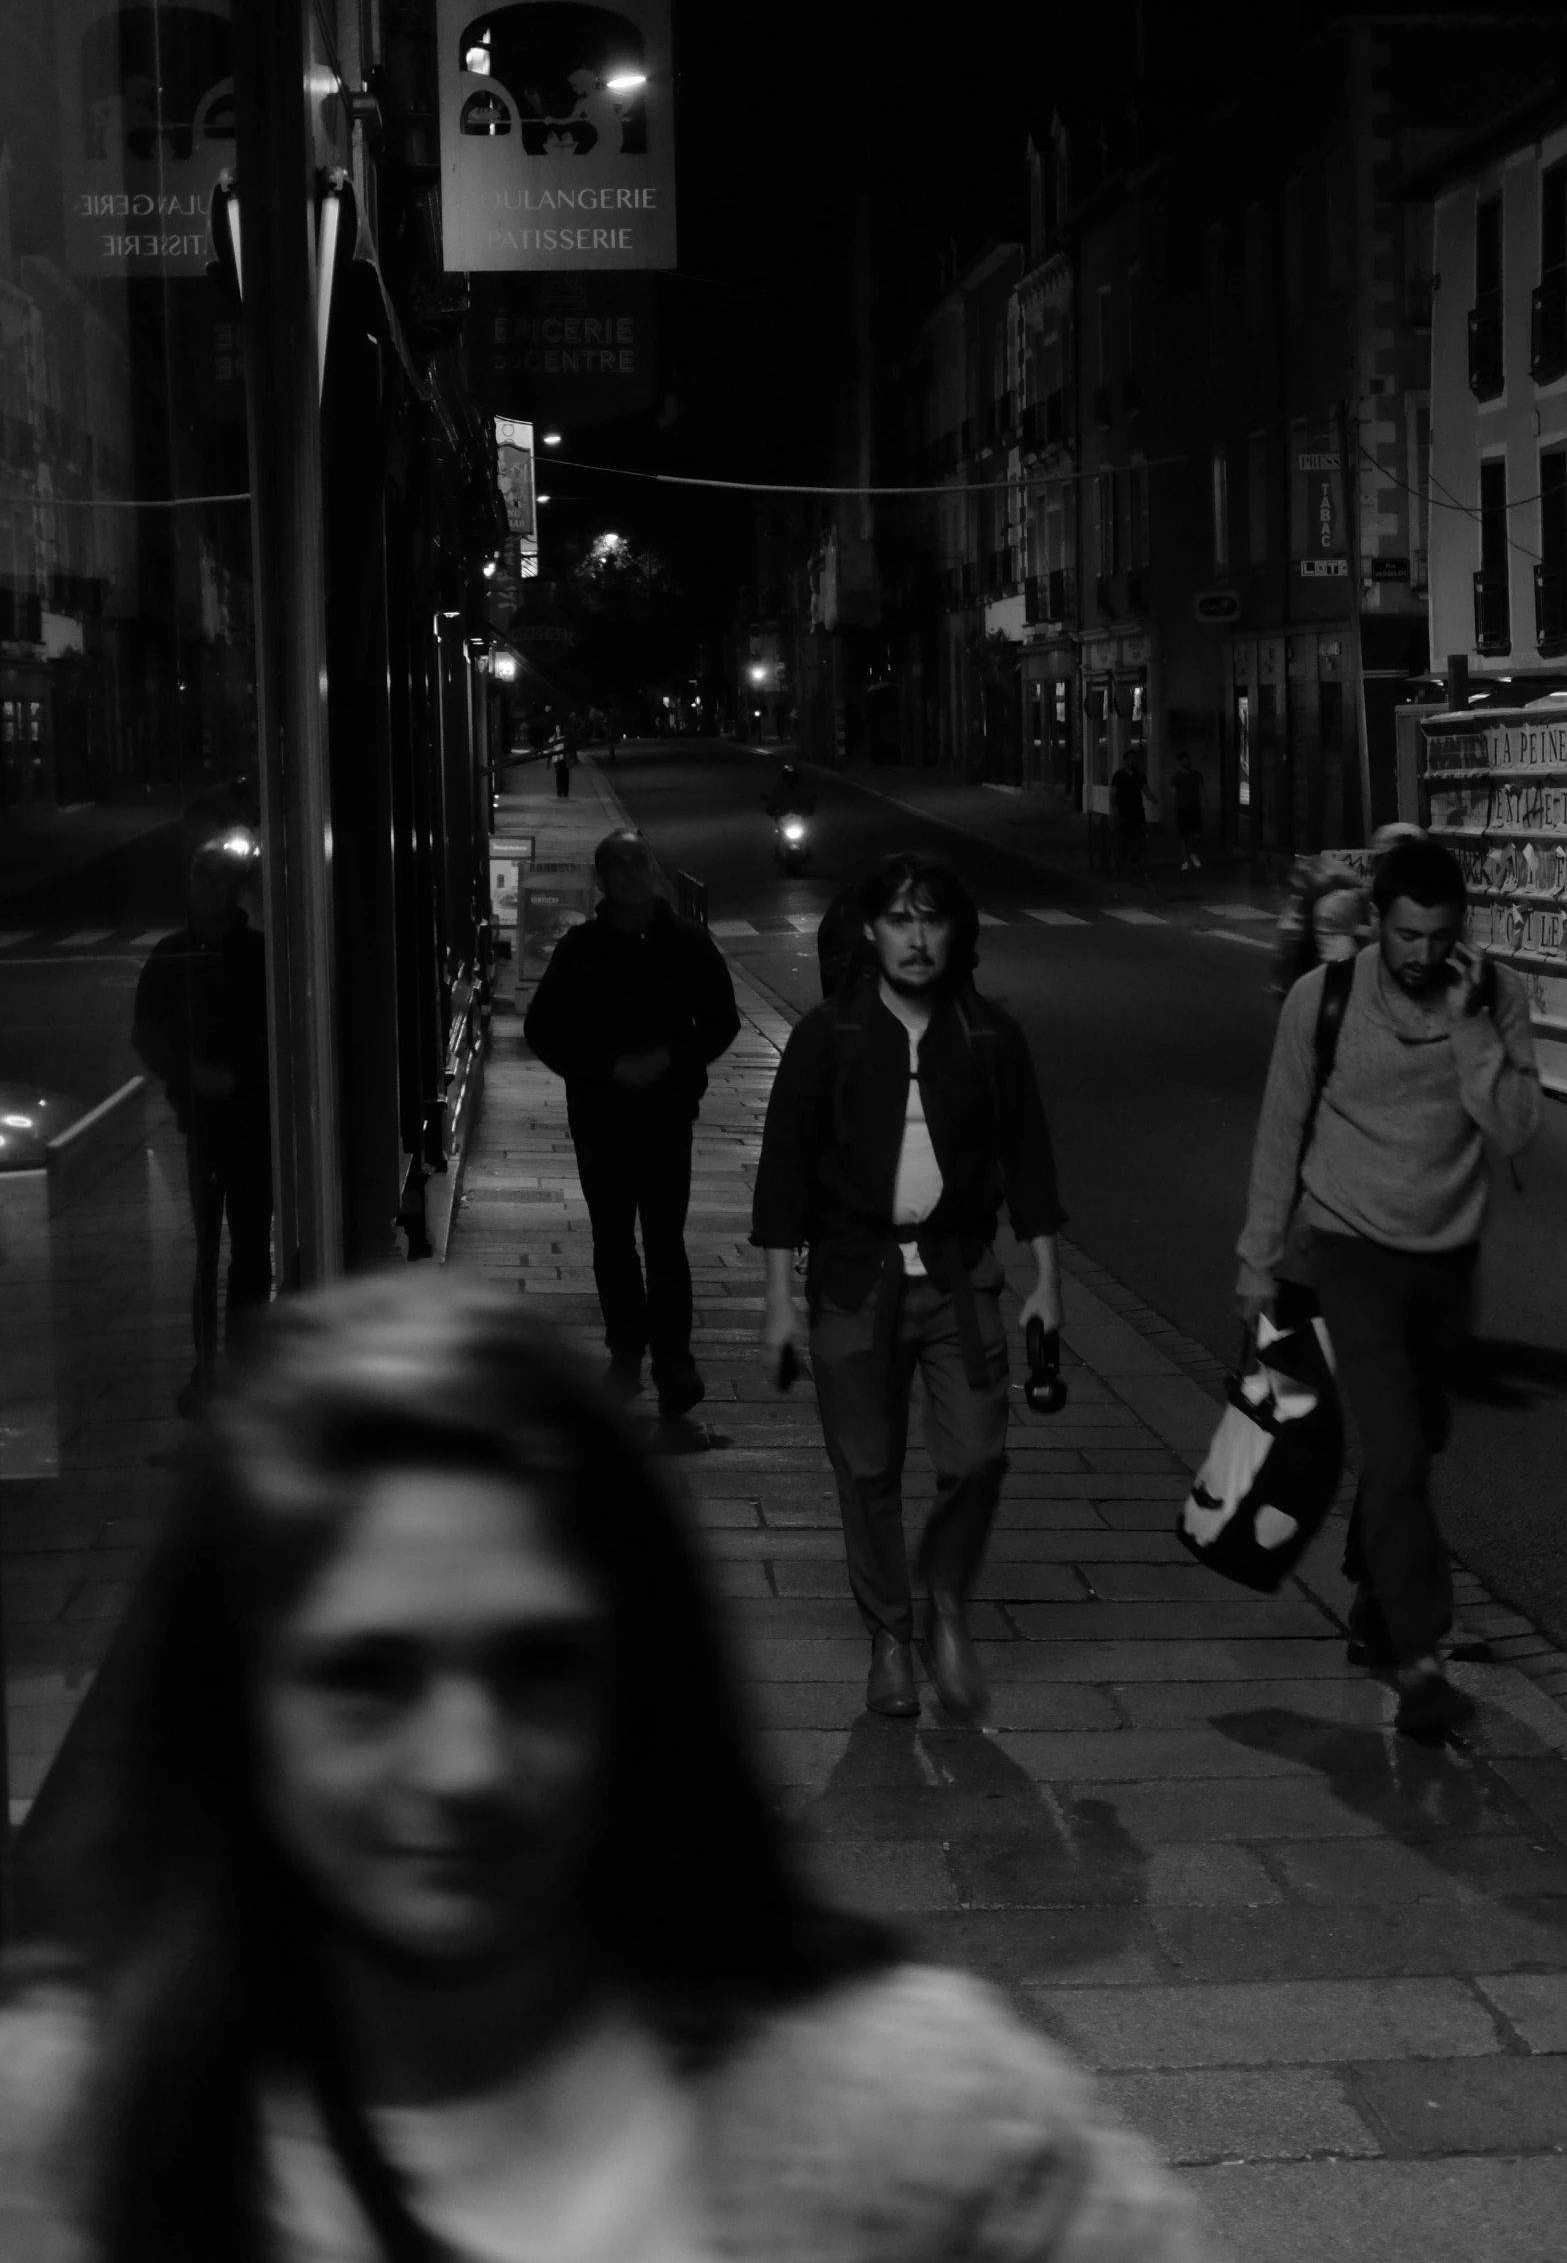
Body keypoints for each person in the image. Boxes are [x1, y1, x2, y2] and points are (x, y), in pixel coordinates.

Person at [0, 1275, 1208, 2263]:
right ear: (233, 1708)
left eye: (538, 1667)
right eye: (367, 1678)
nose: (466, 1765)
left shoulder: (914, 2121)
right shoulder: (62, 2136)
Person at [1236, 836, 1541, 1739]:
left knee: (1422, 1435)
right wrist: (1255, 1258)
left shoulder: (1494, 996)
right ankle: (1417, 1659)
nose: (1421, 954)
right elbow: (1280, 1128)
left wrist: (1471, 1022)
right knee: (1395, 1451)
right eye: (1407, 936)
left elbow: (1515, 1128)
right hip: (1346, 1248)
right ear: (1378, 923)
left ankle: (1376, 1591)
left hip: (1445, 1255)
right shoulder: (1319, 1000)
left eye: (1439, 936)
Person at [753, 853, 1065, 1720]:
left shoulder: (989, 1034)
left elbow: (1030, 1160)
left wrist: (1046, 1278)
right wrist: (779, 1301)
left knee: (977, 1456)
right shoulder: (830, 1035)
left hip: (960, 1281)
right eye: (899, 919)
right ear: (869, 931)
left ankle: (947, 1597)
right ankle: (891, 1638)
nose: (916, 937)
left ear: (954, 930)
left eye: (930, 919)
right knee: (865, 1468)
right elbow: (781, 1176)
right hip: (854, 1283)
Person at [524, 829, 739, 1424]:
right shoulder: (580, 948)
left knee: (665, 1244)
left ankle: (675, 1364)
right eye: (614, 867)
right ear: (601, 880)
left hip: (668, 1118)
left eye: (636, 862)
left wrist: (672, 1059)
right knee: (613, 1242)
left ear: (653, 868)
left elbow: (722, 1021)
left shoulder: (689, 945)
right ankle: (625, 1354)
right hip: (599, 1119)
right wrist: (607, 1067)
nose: (627, 875)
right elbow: (543, 1028)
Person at [132, 832, 272, 1415]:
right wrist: (191, 1076)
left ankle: (240, 1367)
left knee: (246, 1252)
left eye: (215, 879)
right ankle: (212, 1366)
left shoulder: (258, 954)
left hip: (250, 1120)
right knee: (209, 1254)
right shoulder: (173, 954)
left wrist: (235, 1079)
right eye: (199, 878)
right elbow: (149, 1035)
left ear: (235, 888)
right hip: (203, 1123)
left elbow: (278, 1034)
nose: (205, 890)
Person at [1108, 746, 1151, 880]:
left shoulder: (1140, 775)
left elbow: (1146, 790)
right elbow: (1113, 794)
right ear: (1125, 761)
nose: (1132, 762)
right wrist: (1113, 810)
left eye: (1134, 759)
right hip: (1123, 813)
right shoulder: (1118, 775)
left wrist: (1155, 800)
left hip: (1137, 812)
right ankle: (1119, 866)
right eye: (1130, 759)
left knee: (1138, 840)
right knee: (1121, 841)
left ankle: (1136, 863)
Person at [1169, 750, 1205, 872]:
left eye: (1188, 760)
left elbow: (1201, 791)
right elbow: (1174, 793)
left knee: (1196, 834)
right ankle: (1186, 860)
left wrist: (1204, 805)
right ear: (1180, 762)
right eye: (1184, 760)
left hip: (1194, 807)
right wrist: (1174, 808)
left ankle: (1193, 854)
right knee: (1183, 836)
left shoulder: (1197, 775)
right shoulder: (1177, 777)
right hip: (1182, 808)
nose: (1186, 762)